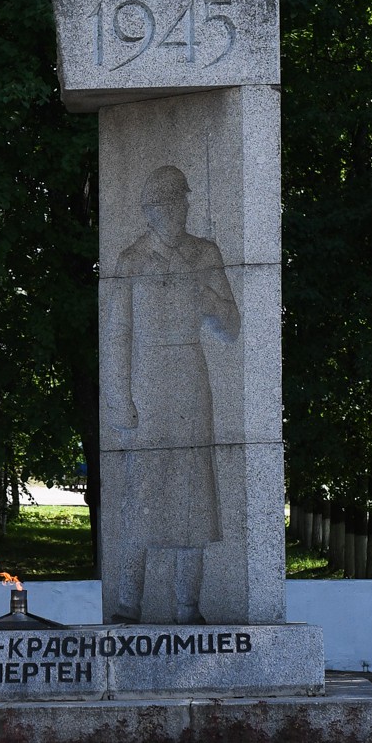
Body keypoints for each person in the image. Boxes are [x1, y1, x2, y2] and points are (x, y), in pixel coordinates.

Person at [105, 165, 239, 621]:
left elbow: (232, 326)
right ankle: (128, 603)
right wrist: (119, 397)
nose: (176, 210)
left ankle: (188, 606)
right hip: (147, 377)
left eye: (180, 201)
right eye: (166, 203)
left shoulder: (204, 253)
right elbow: (117, 333)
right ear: (149, 210)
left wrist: (211, 302)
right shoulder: (131, 260)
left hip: (191, 374)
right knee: (141, 493)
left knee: (192, 494)